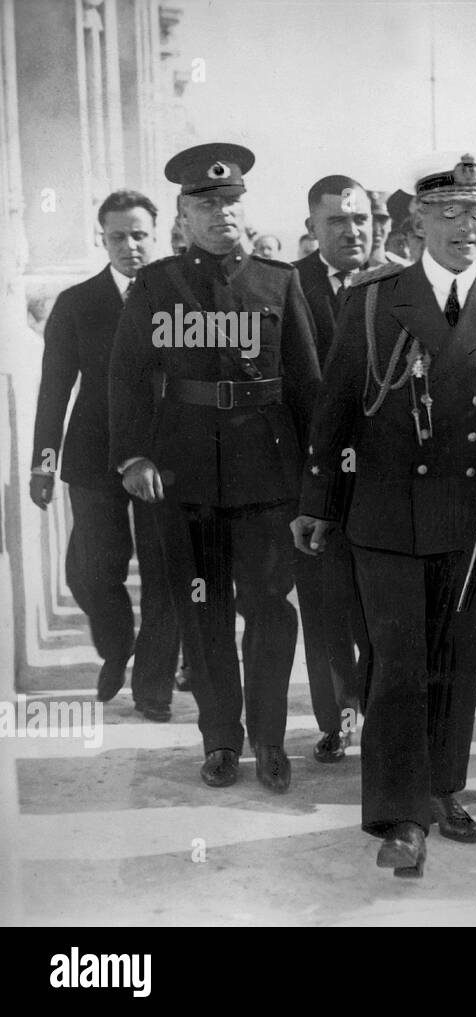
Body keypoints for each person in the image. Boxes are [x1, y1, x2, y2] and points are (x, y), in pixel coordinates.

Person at [292, 152, 476, 878]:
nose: (469, 227)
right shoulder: (375, 300)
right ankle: (399, 816)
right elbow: (335, 409)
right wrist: (316, 503)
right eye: (452, 214)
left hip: (468, 514)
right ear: (417, 223)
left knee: (454, 660)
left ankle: (440, 789)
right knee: (399, 665)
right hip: (385, 513)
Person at [108, 143, 320, 791]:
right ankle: (222, 739)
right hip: (187, 472)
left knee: (268, 606)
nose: (222, 212)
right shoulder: (156, 284)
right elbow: (127, 377)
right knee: (204, 609)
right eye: (207, 203)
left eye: (231, 201)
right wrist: (134, 453)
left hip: (266, 473)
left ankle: (271, 738)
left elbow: (308, 387)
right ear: (184, 213)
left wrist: (317, 486)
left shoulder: (279, 281)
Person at [31, 189, 180, 721]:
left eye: (139, 235)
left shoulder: (178, 297)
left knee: (166, 573)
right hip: (93, 455)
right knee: (91, 572)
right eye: (118, 236)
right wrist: (42, 465)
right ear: (103, 239)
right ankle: (118, 647)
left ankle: (154, 687)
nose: (130, 246)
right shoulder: (77, 303)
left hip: (164, 455)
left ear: (155, 234)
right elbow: (53, 390)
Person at [292, 175, 374, 763]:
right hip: (314, 476)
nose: (351, 231)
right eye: (337, 222)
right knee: (322, 606)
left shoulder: (399, 284)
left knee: (379, 605)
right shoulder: (287, 288)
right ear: (313, 231)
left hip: (383, 478)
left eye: (360, 219)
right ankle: (338, 718)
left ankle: (381, 709)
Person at [366, 190, 410, 267]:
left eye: (382, 219)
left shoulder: (403, 269)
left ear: (390, 224)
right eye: (369, 220)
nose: (376, 228)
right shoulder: (346, 269)